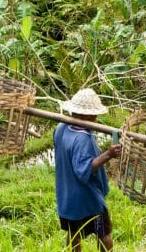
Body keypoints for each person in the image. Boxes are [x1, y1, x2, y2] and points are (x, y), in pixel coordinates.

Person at [54, 88, 122, 251]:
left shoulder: (61, 127)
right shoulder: (82, 138)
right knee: (103, 234)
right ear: (87, 115)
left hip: (68, 199)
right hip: (88, 203)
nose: (96, 118)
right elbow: (83, 171)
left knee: (74, 234)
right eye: (94, 115)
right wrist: (108, 154)